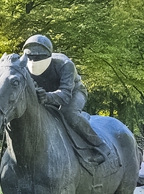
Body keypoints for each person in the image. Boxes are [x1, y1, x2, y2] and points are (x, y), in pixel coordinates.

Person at [21, 34, 107, 164]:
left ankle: (100, 146)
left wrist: (47, 96)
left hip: (74, 93)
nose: (34, 61)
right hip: (44, 95)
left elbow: (65, 94)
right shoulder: (23, 66)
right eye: (31, 57)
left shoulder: (65, 65)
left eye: (38, 57)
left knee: (68, 113)